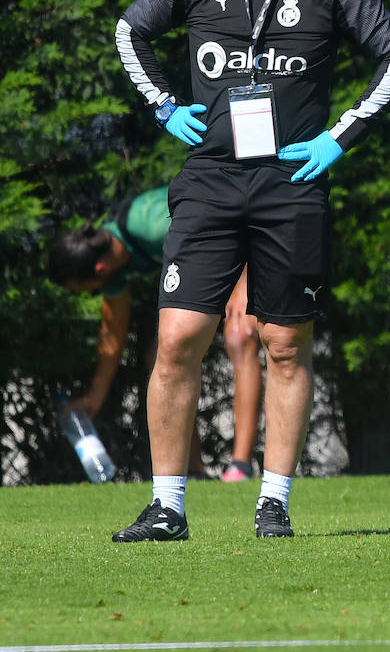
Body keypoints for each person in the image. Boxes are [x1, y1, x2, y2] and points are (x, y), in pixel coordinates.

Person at [110, 0, 390, 540]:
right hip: (212, 179)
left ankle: (272, 502)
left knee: (283, 343)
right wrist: (163, 104)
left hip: (291, 183)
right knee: (179, 337)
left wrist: (342, 135)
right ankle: (167, 507)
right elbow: (130, 31)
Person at [48, 186, 264, 482]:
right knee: (163, 356)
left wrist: (243, 287)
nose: (91, 294)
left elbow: (233, 224)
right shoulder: (114, 267)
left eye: (84, 289)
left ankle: (241, 466)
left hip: (248, 240)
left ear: (98, 269)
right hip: (211, 262)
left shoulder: (151, 224)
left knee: (241, 335)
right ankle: (194, 470)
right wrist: (95, 395)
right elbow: (112, 334)